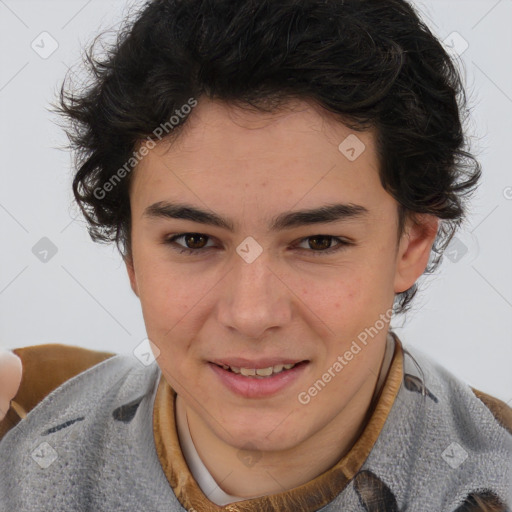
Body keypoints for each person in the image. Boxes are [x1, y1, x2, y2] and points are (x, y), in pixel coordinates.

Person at [0, 0, 511, 510]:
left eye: (318, 242)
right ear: (130, 250)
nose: (251, 314)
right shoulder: (20, 434)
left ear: (411, 243)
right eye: (193, 241)